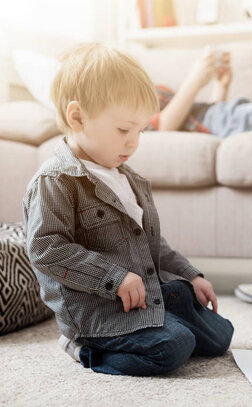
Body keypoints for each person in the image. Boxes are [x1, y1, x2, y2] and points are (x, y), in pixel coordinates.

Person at [22, 43, 233, 376]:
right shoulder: (56, 180)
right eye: (123, 130)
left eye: (140, 131)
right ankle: (83, 349)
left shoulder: (128, 179)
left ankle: (168, 313)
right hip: (100, 311)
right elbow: (47, 249)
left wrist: (190, 274)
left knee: (221, 336)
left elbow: (151, 245)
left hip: (142, 296)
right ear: (77, 117)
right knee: (174, 347)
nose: (133, 142)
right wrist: (113, 277)